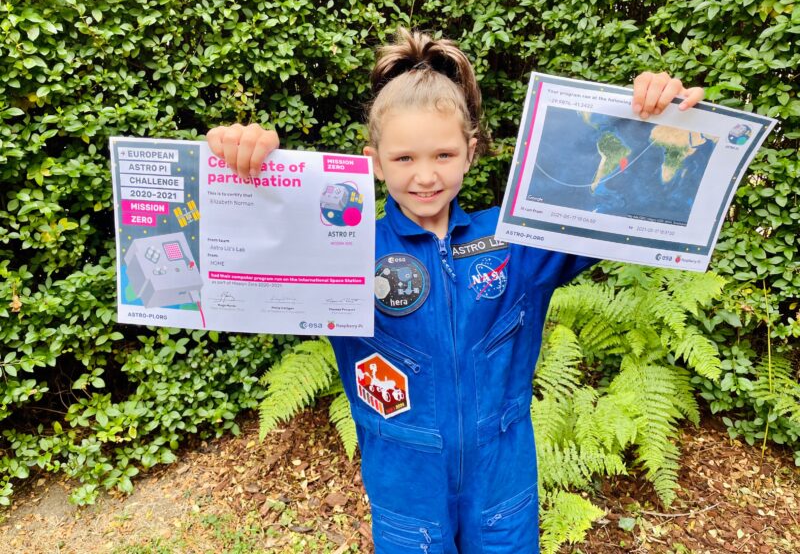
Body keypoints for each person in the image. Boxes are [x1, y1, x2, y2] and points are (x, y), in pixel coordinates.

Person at [207, 28, 704, 554]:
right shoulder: (342, 249)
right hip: (405, 486)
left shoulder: (519, 240)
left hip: (503, 482)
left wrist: (658, 119)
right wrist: (240, 165)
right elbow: (244, 246)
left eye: (443, 155)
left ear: (470, 152)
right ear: (373, 160)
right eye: (403, 159)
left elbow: (623, 206)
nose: (425, 176)